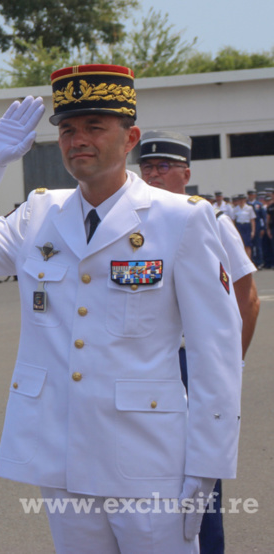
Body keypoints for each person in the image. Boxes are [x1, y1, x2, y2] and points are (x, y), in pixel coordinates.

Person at [0, 65, 242, 553]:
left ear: (129, 136)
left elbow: (214, 351)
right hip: (63, 453)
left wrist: (208, 465)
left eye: (95, 127)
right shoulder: (39, 213)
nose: (78, 141)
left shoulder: (180, 219)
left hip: (148, 459)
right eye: (68, 130)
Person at [139, 130, 260, 554]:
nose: (154, 175)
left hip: (191, 364)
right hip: (145, 367)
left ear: (185, 173)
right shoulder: (133, 222)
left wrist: (229, 366)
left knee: (199, 480)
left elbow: (247, 298)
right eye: (147, 166)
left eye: (164, 167)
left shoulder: (208, 218)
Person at [231, 194, 255, 260]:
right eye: (240, 200)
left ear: (245, 200)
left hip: (246, 226)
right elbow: (233, 220)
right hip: (239, 226)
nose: (241, 201)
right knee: (240, 244)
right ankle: (242, 260)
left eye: (242, 199)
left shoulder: (249, 208)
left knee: (248, 245)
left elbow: (252, 220)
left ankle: (249, 260)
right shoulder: (235, 209)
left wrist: (253, 231)